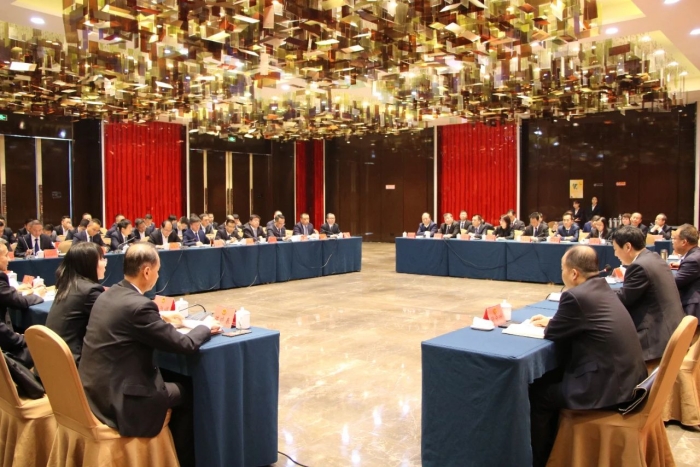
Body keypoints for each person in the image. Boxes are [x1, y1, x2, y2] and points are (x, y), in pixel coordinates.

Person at [79, 243, 219, 467]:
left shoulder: (109, 294)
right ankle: (183, 461)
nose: (158, 275)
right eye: (157, 270)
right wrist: (205, 326)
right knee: (190, 389)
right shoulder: (140, 307)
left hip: (95, 389)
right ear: (146, 271)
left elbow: (130, 322)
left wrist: (160, 317)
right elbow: (185, 344)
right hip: (121, 402)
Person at [528, 246, 647, 467]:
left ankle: (542, 460)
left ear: (574, 273)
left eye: (562, 268)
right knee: (554, 377)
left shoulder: (575, 296)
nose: (562, 273)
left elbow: (554, 333)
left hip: (607, 389)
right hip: (629, 380)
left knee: (538, 394)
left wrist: (551, 323)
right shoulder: (603, 287)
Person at [612, 226, 684, 362]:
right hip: (671, 329)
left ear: (627, 247)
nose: (615, 254)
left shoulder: (638, 266)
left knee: (610, 353)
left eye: (615, 249)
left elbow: (624, 299)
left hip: (655, 339)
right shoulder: (654, 257)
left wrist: (601, 293)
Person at [45, 242, 106, 365]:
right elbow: (111, 322)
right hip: (71, 364)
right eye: (101, 259)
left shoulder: (68, 284)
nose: (105, 263)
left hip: (50, 361)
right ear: (89, 264)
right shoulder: (90, 291)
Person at [0, 241, 45, 367]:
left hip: (6, 339)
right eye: (5, 255)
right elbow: (18, 302)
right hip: (5, 351)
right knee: (46, 347)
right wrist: (37, 294)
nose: (9, 259)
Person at [671, 224, 700, 317]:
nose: (672, 241)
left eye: (674, 238)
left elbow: (674, 283)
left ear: (684, 242)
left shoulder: (692, 260)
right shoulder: (695, 254)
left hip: (693, 306)